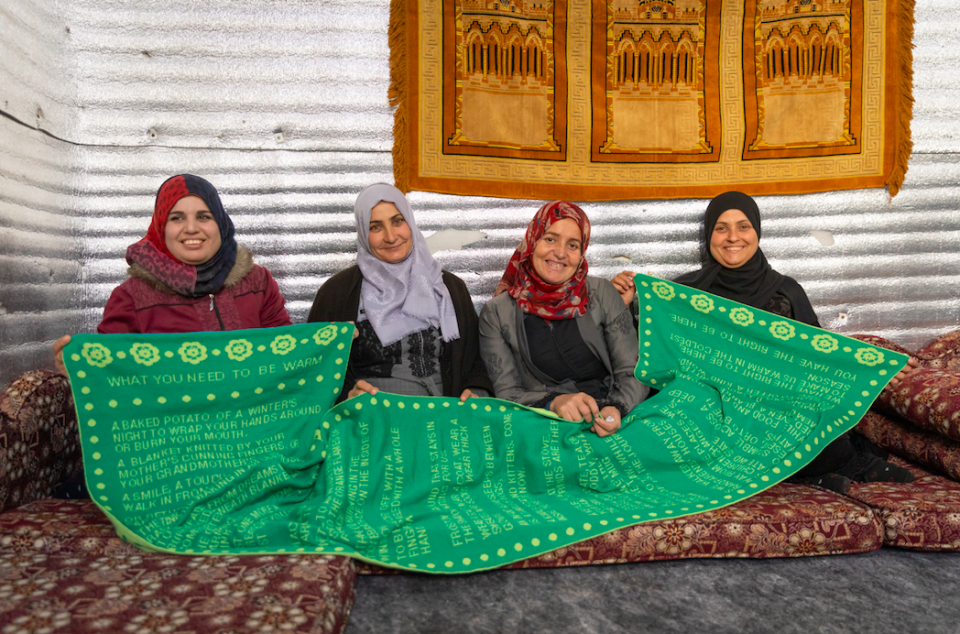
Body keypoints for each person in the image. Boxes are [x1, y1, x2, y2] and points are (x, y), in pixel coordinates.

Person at [613, 191, 916, 491]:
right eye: (721, 228)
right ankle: (802, 472)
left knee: (813, 425)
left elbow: (819, 353)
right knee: (667, 434)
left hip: (774, 407)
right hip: (711, 413)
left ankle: (815, 468)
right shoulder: (685, 294)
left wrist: (875, 366)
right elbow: (654, 353)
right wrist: (624, 307)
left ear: (756, 231)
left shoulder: (786, 291)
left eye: (743, 226)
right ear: (709, 236)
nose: (733, 237)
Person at [51, 173, 292, 497]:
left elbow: (287, 356)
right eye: (177, 218)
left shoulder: (258, 282)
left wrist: (330, 348)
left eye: (203, 217)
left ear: (220, 222)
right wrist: (81, 370)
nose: (191, 228)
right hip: (168, 457)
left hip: (251, 444)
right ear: (161, 226)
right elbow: (112, 375)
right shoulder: (132, 295)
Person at [307, 183, 491, 403]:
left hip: (444, 415)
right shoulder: (337, 293)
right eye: (375, 227)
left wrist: (476, 389)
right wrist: (347, 395)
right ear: (363, 234)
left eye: (397, 221)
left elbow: (475, 359)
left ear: (410, 222)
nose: (391, 237)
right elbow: (315, 368)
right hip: (373, 420)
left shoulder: (449, 287)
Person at [479, 201, 647, 438]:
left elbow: (633, 369)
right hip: (543, 424)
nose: (560, 253)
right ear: (532, 241)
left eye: (572, 245)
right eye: (550, 239)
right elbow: (507, 392)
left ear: (581, 253)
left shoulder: (602, 294)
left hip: (613, 418)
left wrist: (616, 407)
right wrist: (554, 403)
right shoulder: (497, 313)